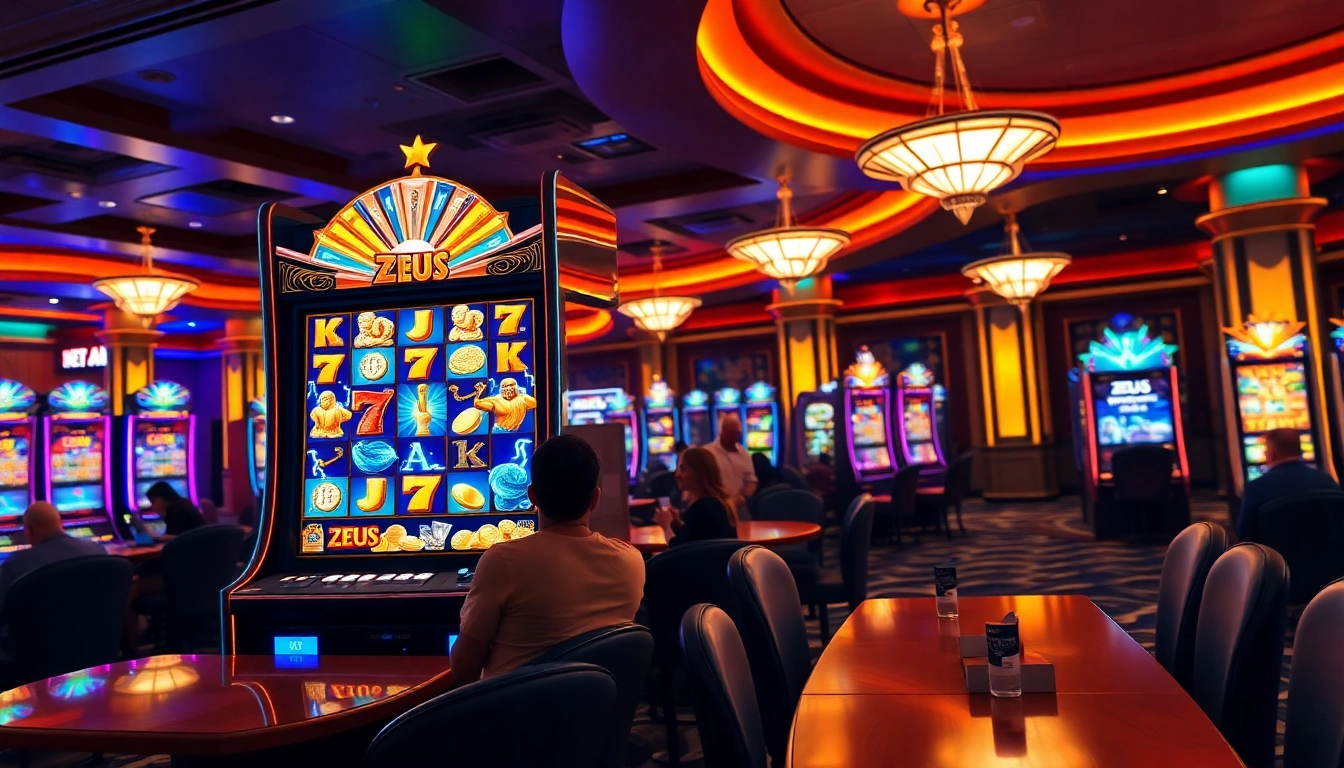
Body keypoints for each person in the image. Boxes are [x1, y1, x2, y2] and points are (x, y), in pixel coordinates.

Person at [451, 434, 644, 684]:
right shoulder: (632, 561)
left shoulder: (502, 561)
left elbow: (463, 670)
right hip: (596, 716)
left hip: (511, 718)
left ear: (532, 496)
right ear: (595, 499)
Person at [1237, 427, 1340, 543]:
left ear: (1271, 455)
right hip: (1329, 557)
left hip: (1278, 559)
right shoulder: (1327, 481)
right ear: (1300, 451)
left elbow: (1245, 535)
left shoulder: (1256, 488)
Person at [0, 502, 106, 612]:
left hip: (38, 627)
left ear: (29, 531)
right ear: (61, 524)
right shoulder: (97, 550)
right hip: (91, 625)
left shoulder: (16, 564)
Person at [653, 447, 738, 546]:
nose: (677, 475)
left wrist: (666, 526)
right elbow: (695, 537)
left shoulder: (703, 507)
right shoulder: (713, 503)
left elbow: (679, 549)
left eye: (683, 469)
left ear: (699, 473)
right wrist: (676, 524)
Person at [703, 413, 757, 510]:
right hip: (713, 506)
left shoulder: (744, 454)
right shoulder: (707, 452)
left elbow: (751, 481)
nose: (735, 437)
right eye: (731, 433)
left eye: (737, 433)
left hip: (738, 506)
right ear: (722, 431)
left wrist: (743, 496)